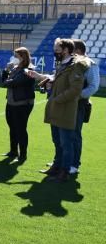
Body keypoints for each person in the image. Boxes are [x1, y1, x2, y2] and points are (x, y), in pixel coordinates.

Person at [39, 39, 88, 182]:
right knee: (57, 141)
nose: (55, 51)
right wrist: (50, 86)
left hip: (65, 110)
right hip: (56, 109)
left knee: (66, 143)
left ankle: (64, 171)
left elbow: (75, 89)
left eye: (57, 49)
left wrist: (57, 99)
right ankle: (57, 166)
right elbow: (61, 84)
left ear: (65, 50)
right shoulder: (62, 64)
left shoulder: (76, 65)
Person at [70, 39, 100, 174]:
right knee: (63, 134)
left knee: (75, 134)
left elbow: (93, 87)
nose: (69, 52)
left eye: (71, 49)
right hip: (67, 103)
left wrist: (77, 95)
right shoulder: (72, 63)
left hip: (79, 104)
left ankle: (74, 164)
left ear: (78, 51)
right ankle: (62, 160)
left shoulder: (90, 65)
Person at [1, 47, 36, 161]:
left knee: (20, 128)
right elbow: (4, 82)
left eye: (16, 56)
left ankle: (23, 154)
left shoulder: (28, 70)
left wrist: (7, 80)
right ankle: (13, 151)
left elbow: (12, 83)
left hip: (22, 103)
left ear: (22, 57)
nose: (14, 58)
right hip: (12, 102)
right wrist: (6, 71)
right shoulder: (16, 68)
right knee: (12, 127)